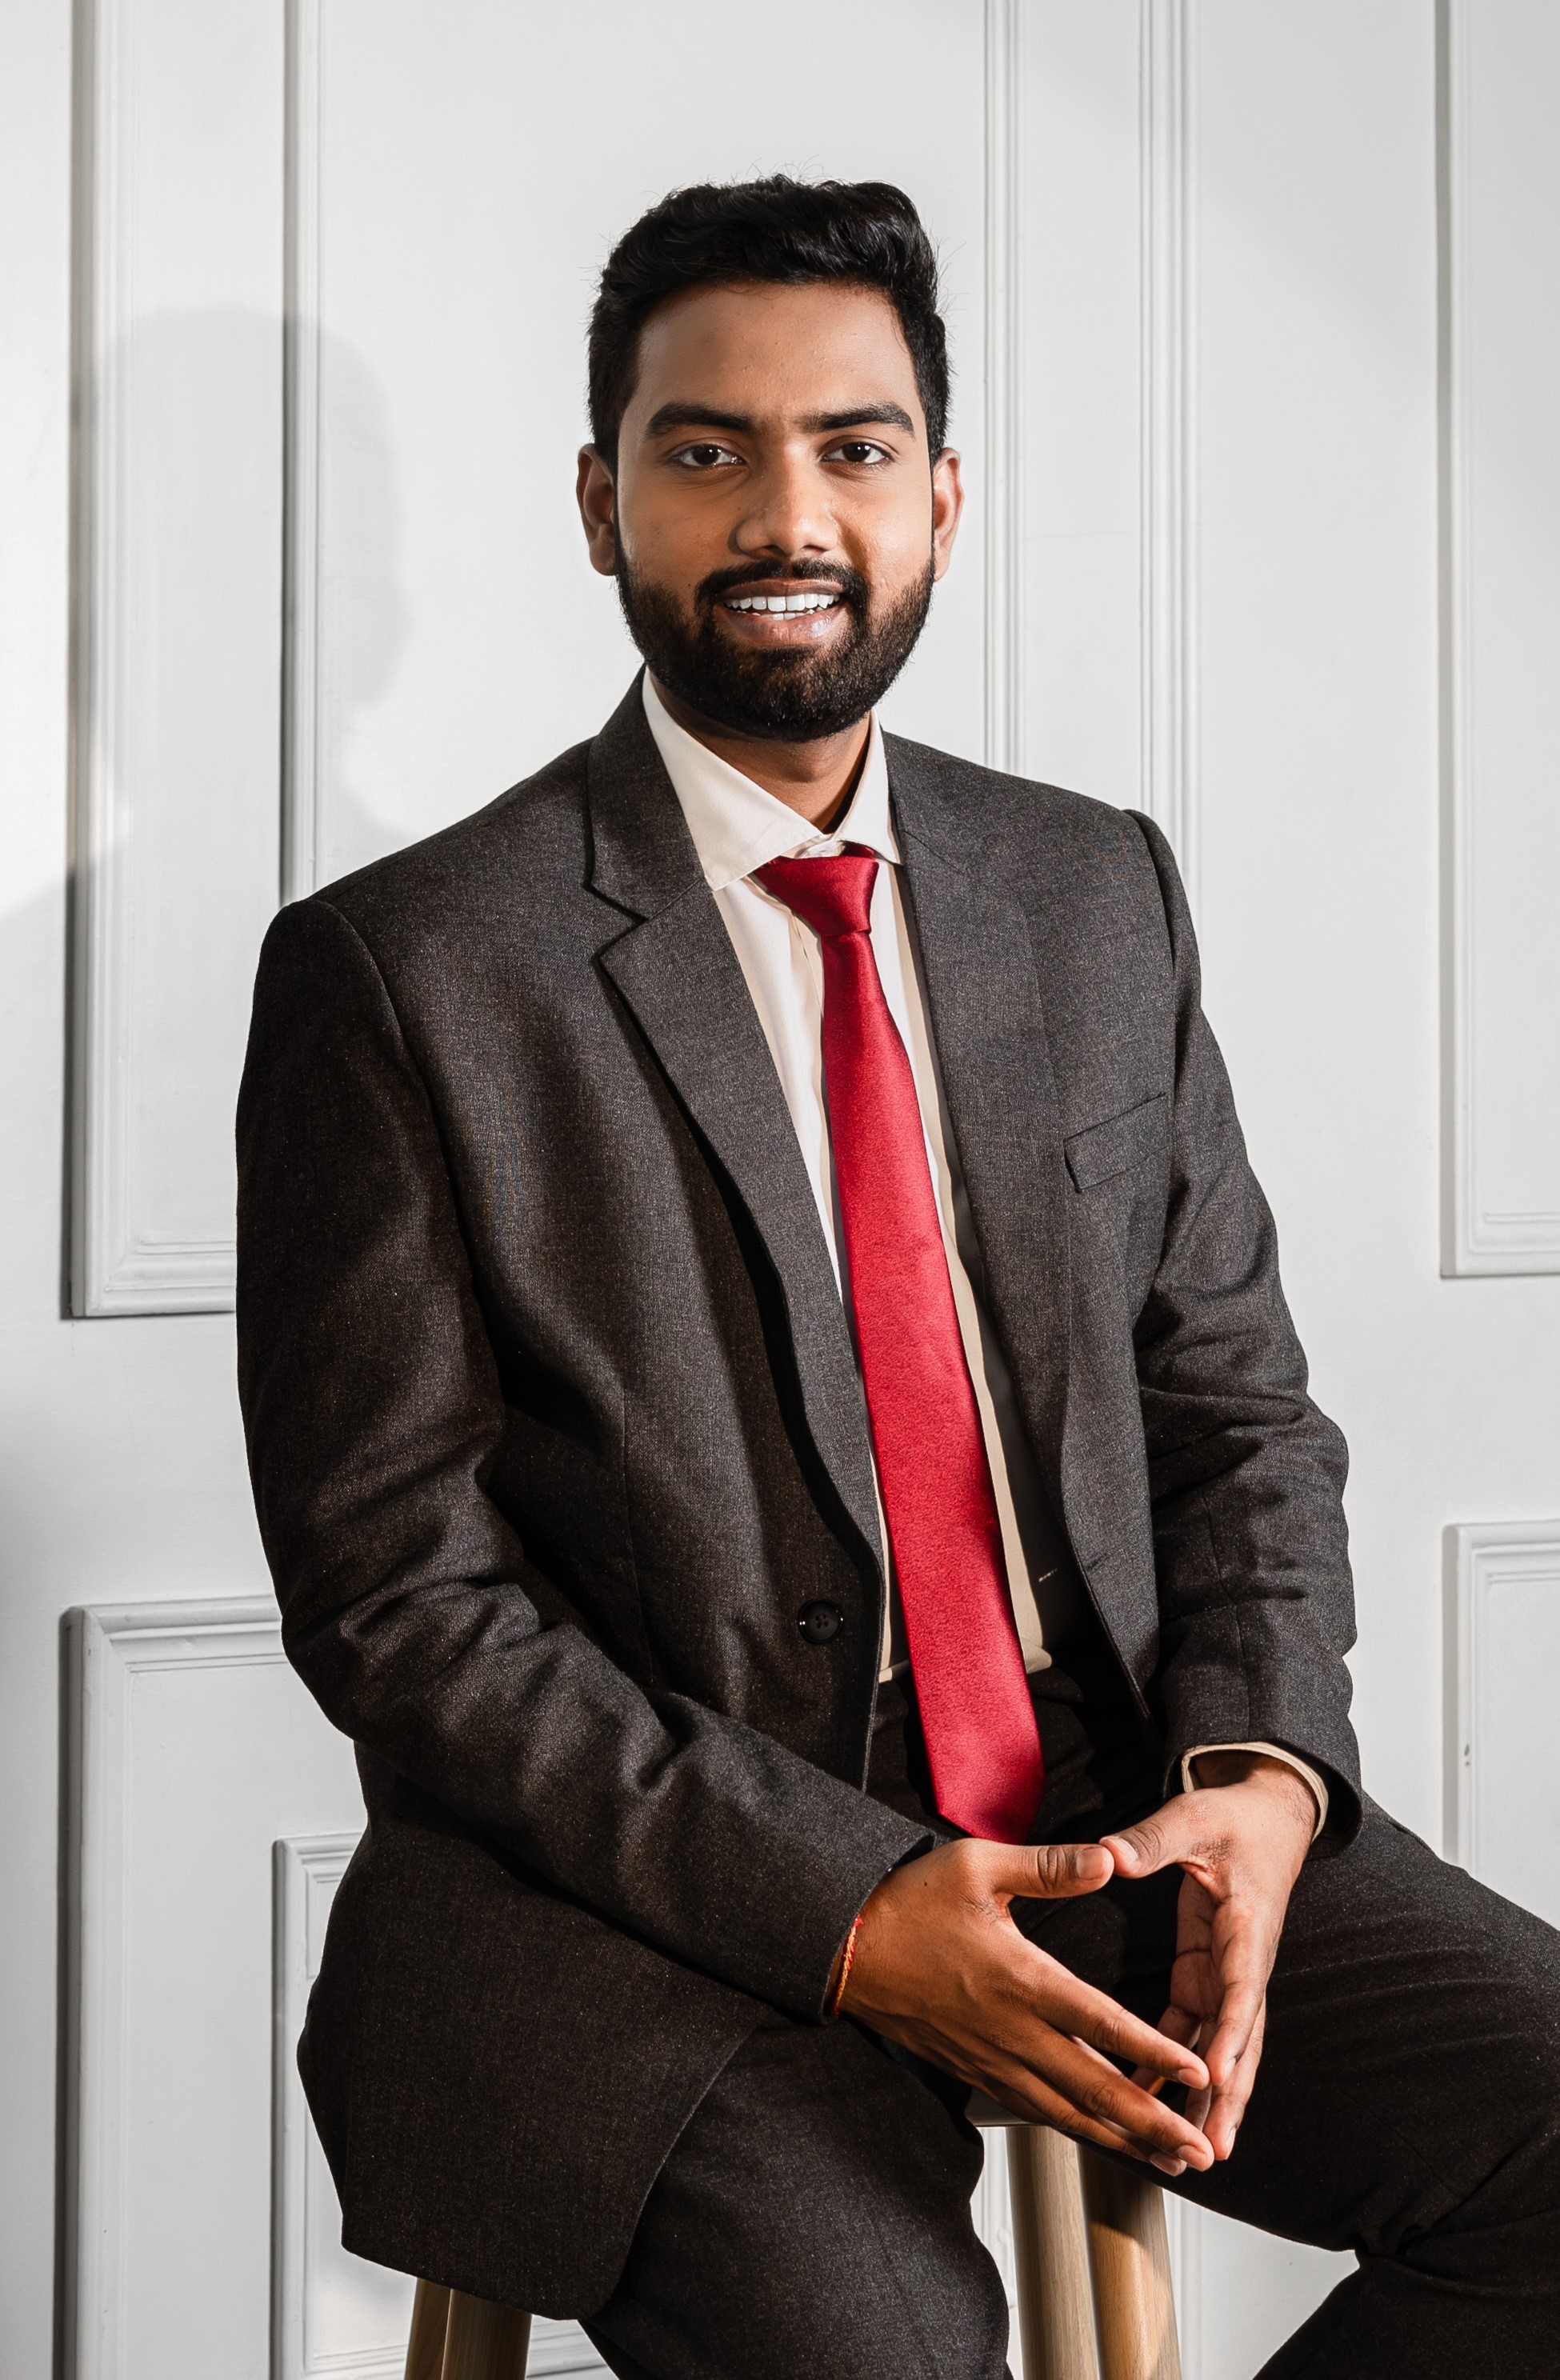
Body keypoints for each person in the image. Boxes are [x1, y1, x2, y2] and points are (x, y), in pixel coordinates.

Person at [236, 178, 1560, 2380]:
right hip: (644, 1907)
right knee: (888, 2353)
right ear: (599, 504)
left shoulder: (1090, 889)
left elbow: (1231, 1402)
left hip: (1110, 1815)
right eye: (705, 448)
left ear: (940, 499)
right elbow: (403, 1607)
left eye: (853, 448)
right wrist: (844, 1905)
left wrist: (1266, 1779)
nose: (789, 512)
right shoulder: (405, 970)